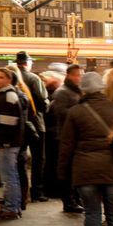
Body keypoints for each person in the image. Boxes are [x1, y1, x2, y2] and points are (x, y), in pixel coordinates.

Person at [58, 70, 113, 226]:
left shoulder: (75, 112)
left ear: (84, 90)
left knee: (92, 214)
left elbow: (66, 146)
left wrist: (62, 172)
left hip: (85, 170)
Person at [0, 67, 25, 221]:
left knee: (9, 176)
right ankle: (13, 205)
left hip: (8, 142)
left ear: (9, 79)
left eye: (1, 77)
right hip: (7, 141)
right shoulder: (4, 94)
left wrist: (3, 140)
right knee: (11, 175)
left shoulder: (8, 96)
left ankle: (11, 208)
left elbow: (10, 123)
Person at [47, 63, 84, 213]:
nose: (79, 78)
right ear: (69, 75)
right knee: (67, 170)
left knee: (73, 170)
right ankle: (68, 201)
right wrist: (80, 110)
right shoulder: (63, 92)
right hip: (64, 136)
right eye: (77, 75)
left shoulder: (76, 91)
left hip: (75, 136)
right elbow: (60, 112)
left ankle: (75, 198)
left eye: (81, 75)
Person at [16, 52, 49, 202]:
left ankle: (20, 191)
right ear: (27, 63)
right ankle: (37, 191)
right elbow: (43, 100)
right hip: (35, 122)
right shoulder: (33, 78)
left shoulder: (12, 76)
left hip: (19, 124)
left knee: (20, 157)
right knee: (38, 158)